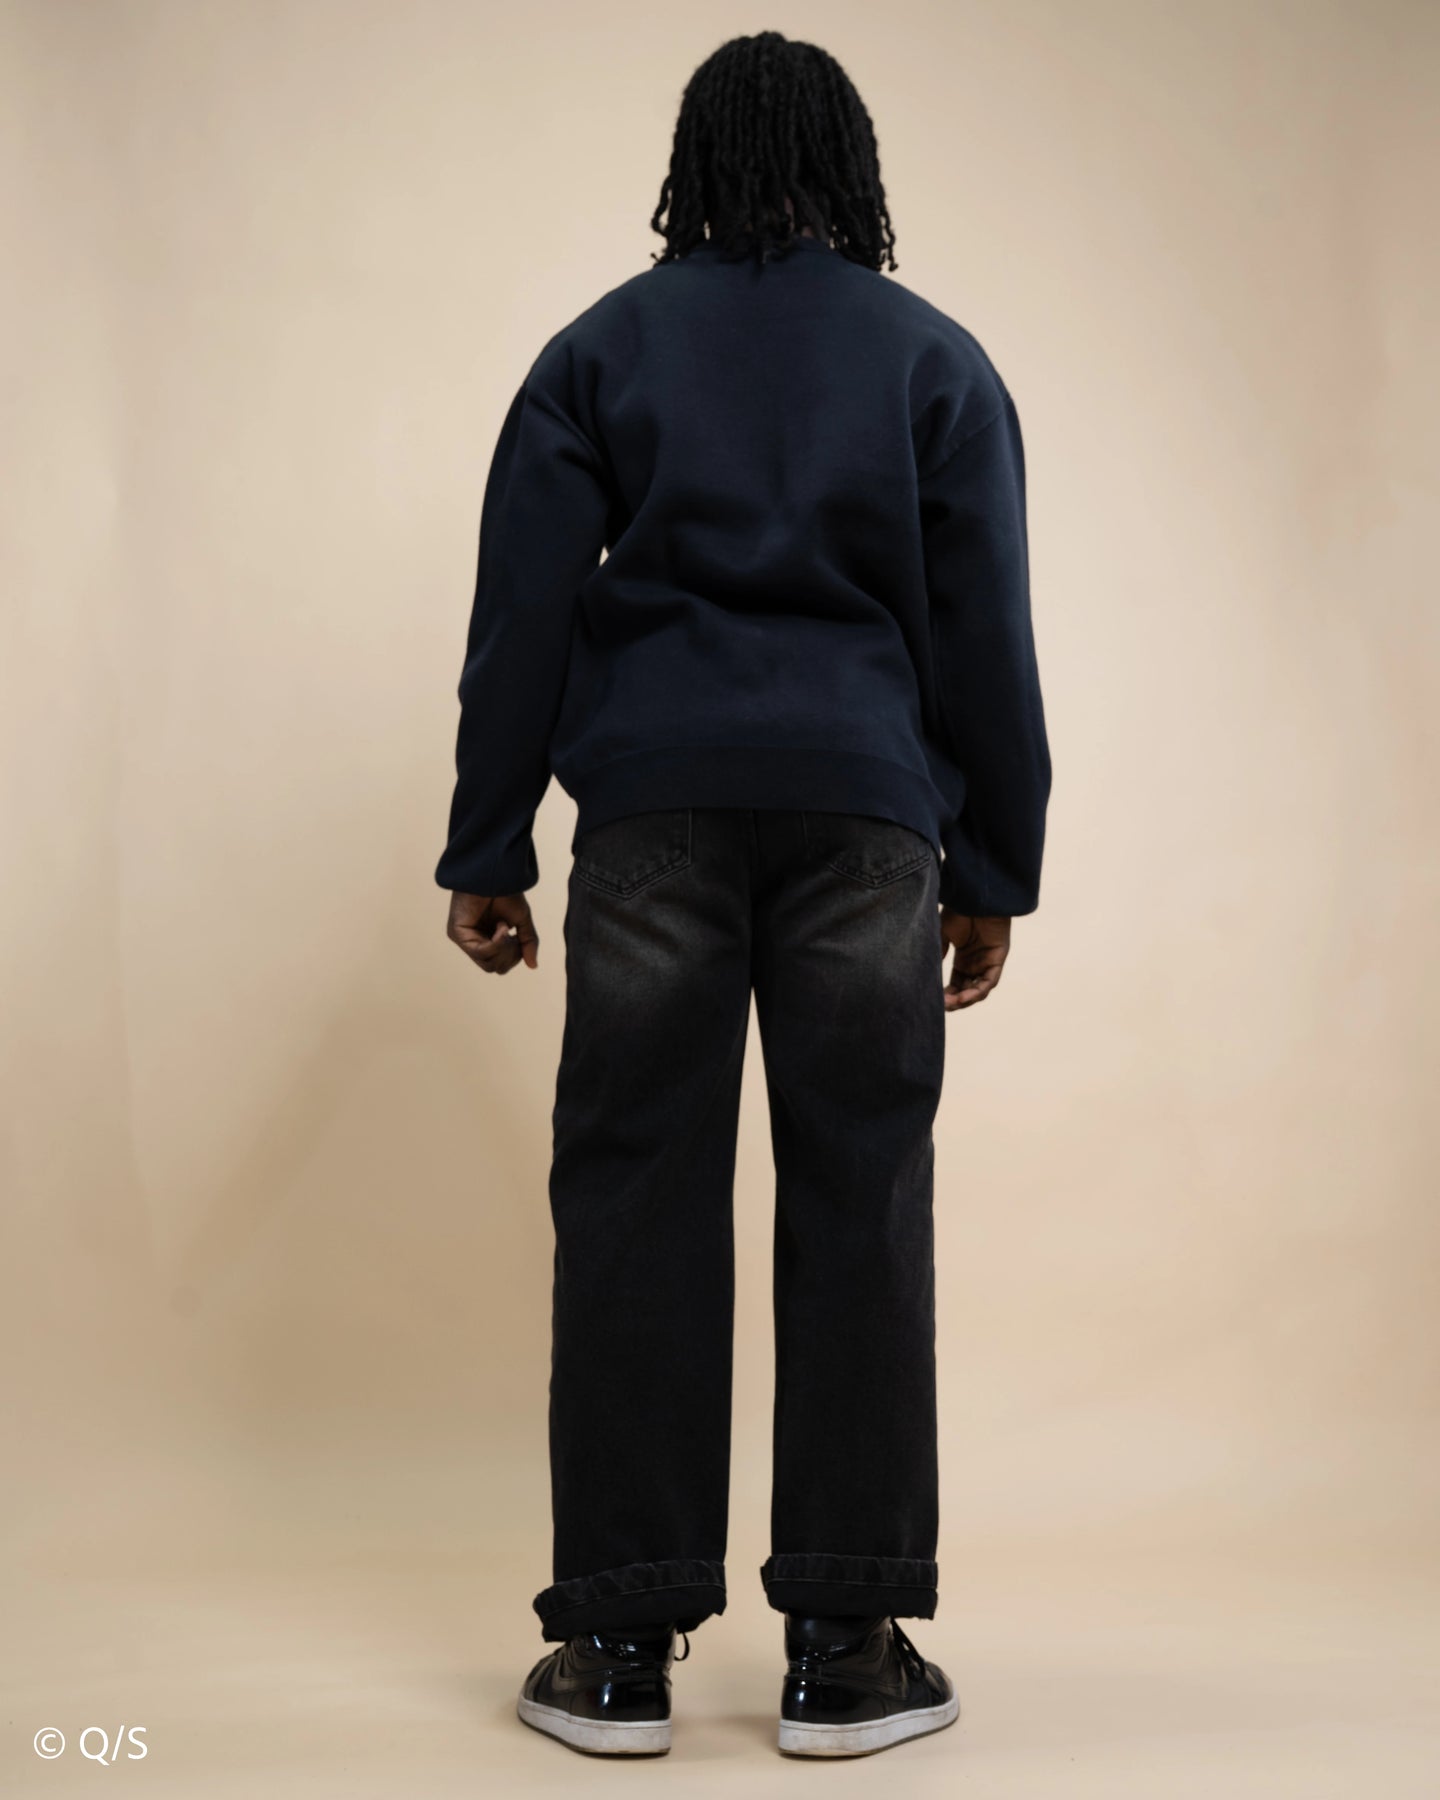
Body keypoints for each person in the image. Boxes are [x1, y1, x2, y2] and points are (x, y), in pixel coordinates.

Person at [435, 28, 1051, 1760]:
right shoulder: (932, 361)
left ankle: (615, 1656)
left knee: (634, 1196)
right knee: (862, 1197)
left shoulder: (599, 353)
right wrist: (993, 863)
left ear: (690, 168)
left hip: (653, 818)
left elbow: (522, 611)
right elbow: (988, 633)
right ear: (851, 169)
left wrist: (488, 842)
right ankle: (846, 1656)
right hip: (868, 817)